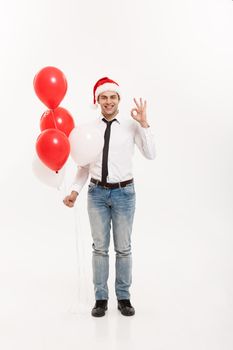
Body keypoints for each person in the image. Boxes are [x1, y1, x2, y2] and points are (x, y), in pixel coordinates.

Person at [63, 77, 156, 317]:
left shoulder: (131, 125)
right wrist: (74, 191)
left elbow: (151, 154)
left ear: (119, 100)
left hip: (125, 193)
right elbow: (83, 166)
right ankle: (101, 298)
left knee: (123, 249)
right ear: (97, 100)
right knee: (100, 248)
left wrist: (144, 124)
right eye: (103, 97)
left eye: (112, 97)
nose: (108, 101)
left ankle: (123, 297)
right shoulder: (88, 130)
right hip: (97, 194)